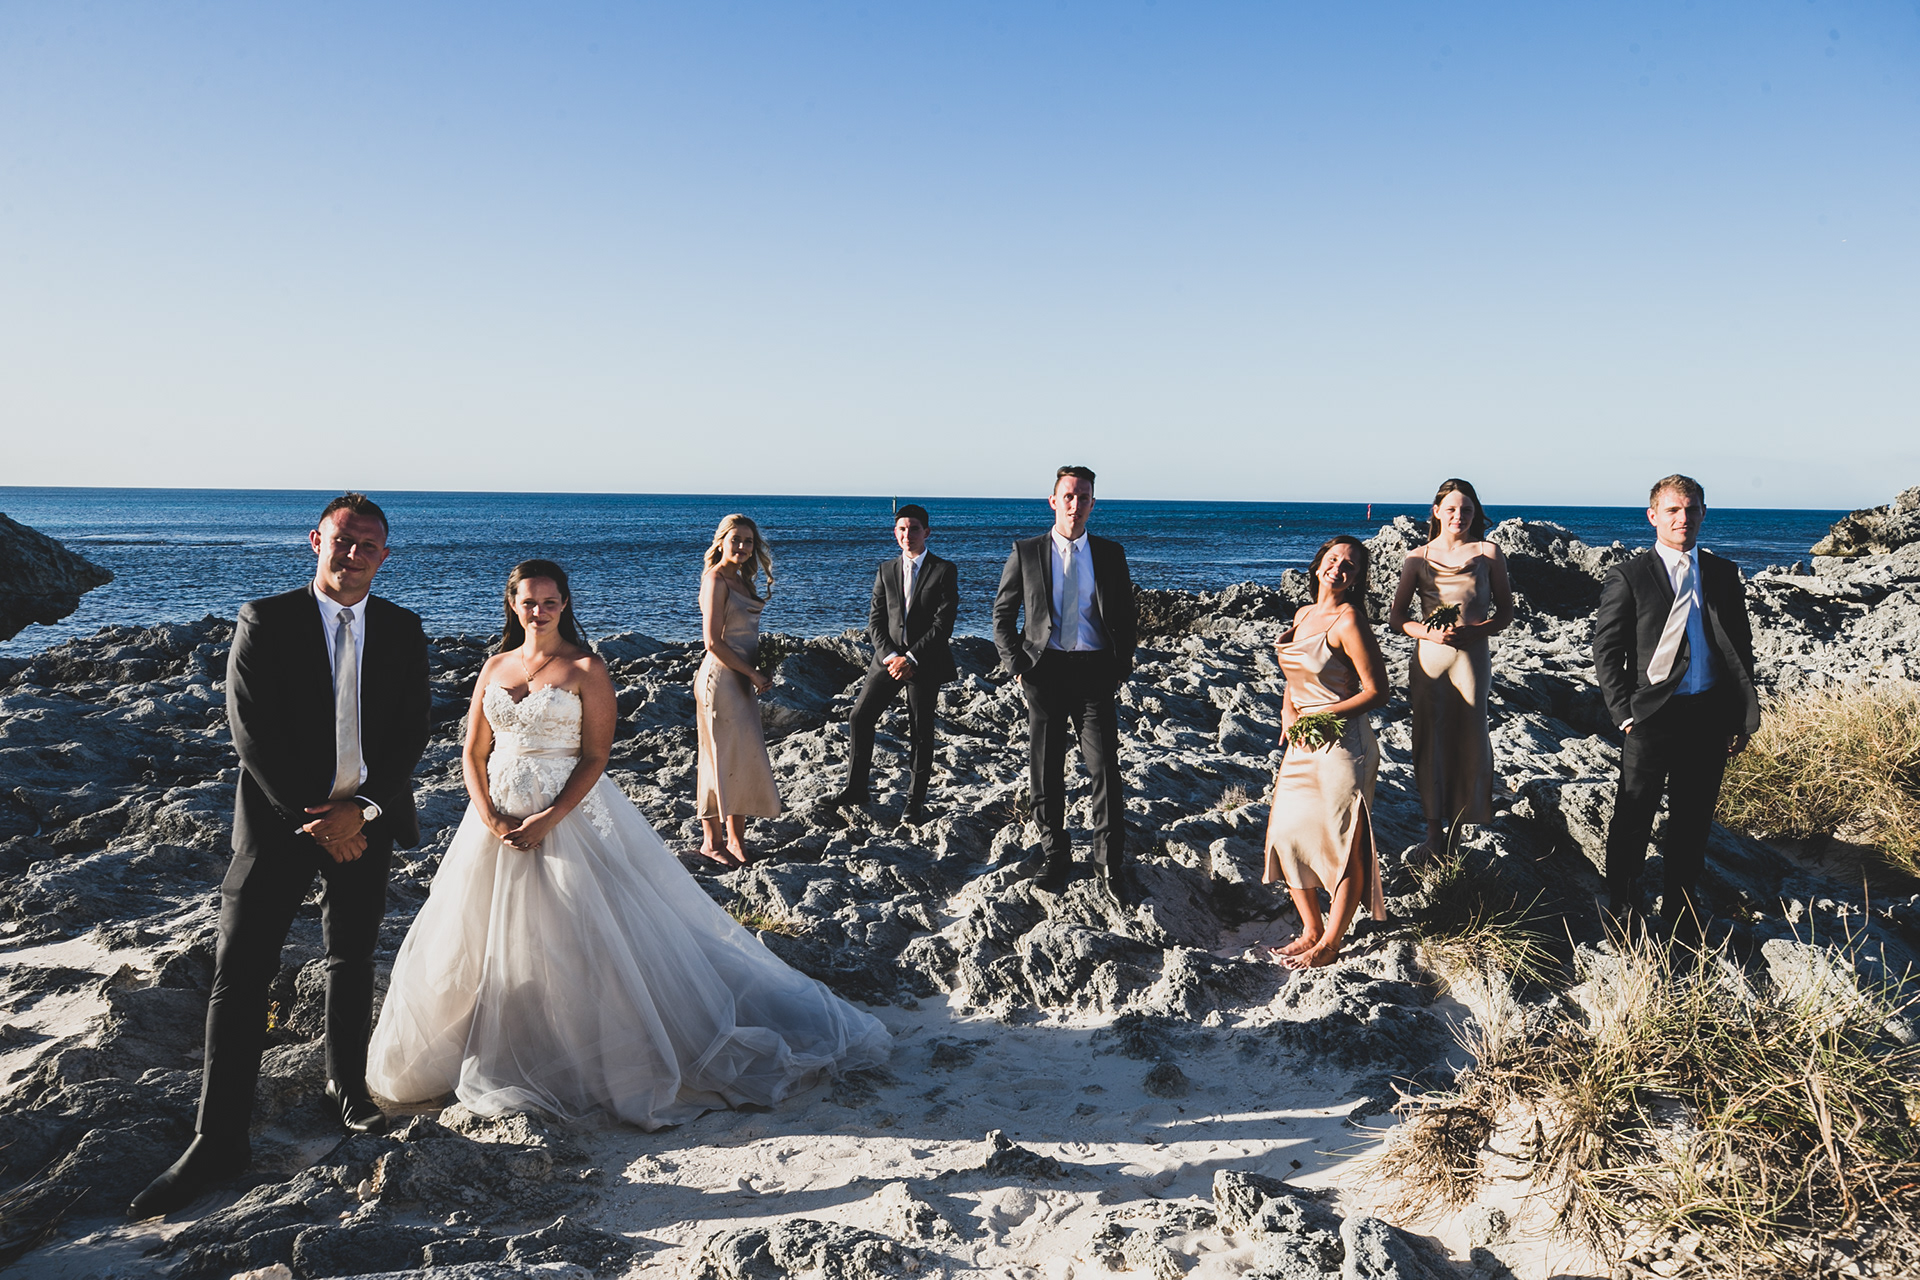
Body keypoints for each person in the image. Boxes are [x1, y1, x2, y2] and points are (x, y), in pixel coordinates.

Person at [366, 560, 888, 1128]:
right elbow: (473, 750)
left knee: (581, 931)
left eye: (549, 601)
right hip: (492, 820)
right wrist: (488, 813)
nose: (538, 611)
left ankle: (595, 1054)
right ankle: (508, 1037)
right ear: (512, 604)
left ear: (564, 604)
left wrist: (549, 818)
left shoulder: (586, 667)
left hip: (566, 815)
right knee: (481, 934)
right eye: (528, 601)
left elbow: (595, 756)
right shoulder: (495, 665)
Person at [131, 494, 431, 1220]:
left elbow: (411, 732)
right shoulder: (266, 620)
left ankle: (346, 1089)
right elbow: (251, 731)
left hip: (367, 824)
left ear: (385, 556)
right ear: (315, 541)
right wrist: (319, 821)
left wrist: (363, 810)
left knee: (352, 959)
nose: (353, 554)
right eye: (342, 540)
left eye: (368, 545)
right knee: (240, 975)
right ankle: (217, 1139)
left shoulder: (402, 628)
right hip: (277, 827)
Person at [1593, 475, 1759, 936]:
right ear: (1653, 516)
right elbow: (1606, 648)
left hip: (1708, 713)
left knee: (1693, 818)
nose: (1682, 518)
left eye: (1691, 509)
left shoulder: (1722, 573)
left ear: (1703, 513)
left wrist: (1739, 715)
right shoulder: (1629, 575)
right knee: (1634, 815)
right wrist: (1623, 712)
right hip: (1650, 715)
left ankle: (1681, 909)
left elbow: (1739, 646)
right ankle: (1623, 905)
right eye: (1672, 510)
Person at [992, 465, 1141, 904]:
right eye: (1068, 496)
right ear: (1053, 501)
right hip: (1045, 671)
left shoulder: (1110, 553)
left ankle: (1107, 862)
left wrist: (1120, 666)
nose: (1075, 505)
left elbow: (1125, 614)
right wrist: (1017, 665)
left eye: (1084, 497)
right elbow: (1003, 614)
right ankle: (1055, 855)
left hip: (1096, 672)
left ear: (1093, 503)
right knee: (1046, 768)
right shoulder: (1026, 552)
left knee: (1105, 767)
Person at [1264, 535, 1391, 970]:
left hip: (1344, 746)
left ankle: (1331, 943)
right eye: (1333, 559)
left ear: (1356, 579)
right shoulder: (1302, 614)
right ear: (1318, 565)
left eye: (1350, 566)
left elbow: (1377, 691)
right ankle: (1310, 929)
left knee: (1344, 843)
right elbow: (1295, 676)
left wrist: (1320, 715)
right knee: (1286, 834)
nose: (1339, 568)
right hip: (1302, 742)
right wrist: (1288, 711)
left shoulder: (1349, 620)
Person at [1387, 479, 1513, 858]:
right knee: (1430, 739)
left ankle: (1458, 830)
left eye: (1467, 510)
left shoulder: (1488, 552)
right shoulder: (1416, 557)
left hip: (1472, 656)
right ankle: (1432, 832)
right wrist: (1428, 633)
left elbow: (1505, 614)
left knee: (1470, 738)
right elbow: (1397, 618)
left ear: (1476, 514)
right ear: (1437, 512)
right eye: (1452, 509)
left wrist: (1476, 631)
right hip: (1430, 657)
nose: (1460, 516)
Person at [826, 504, 960, 824]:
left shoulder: (943, 570)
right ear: (895, 533)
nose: (907, 534)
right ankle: (856, 788)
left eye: (914, 529)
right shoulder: (886, 569)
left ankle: (915, 801)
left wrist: (911, 658)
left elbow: (943, 624)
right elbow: (875, 621)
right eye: (901, 529)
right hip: (886, 661)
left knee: (921, 731)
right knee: (860, 716)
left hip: (924, 662)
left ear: (926, 532)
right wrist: (891, 657)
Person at [695, 514, 782, 865]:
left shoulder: (743, 581)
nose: (743, 547)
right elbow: (712, 642)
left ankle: (736, 841)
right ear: (721, 542)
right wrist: (752, 673)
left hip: (742, 679)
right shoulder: (716, 580)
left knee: (740, 758)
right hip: (721, 680)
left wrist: (761, 668)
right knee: (715, 757)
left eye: (749, 541)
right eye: (736, 540)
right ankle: (711, 842)